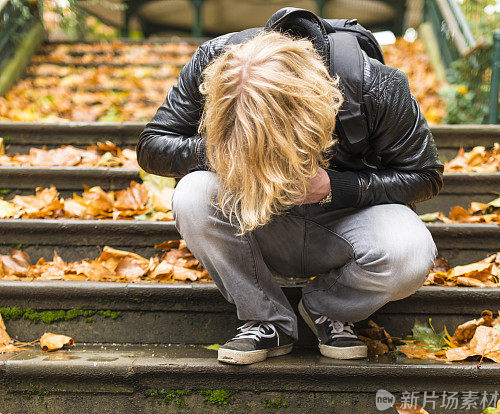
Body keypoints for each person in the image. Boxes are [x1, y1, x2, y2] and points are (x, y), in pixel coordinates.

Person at [137, 8, 443, 364]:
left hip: (347, 222)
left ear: (314, 111)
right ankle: (267, 320)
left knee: (410, 251)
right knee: (192, 193)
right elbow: (152, 146)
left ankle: (326, 309)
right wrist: (230, 150)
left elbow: (425, 176)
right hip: (257, 215)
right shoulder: (212, 60)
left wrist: (337, 186)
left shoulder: (377, 85)